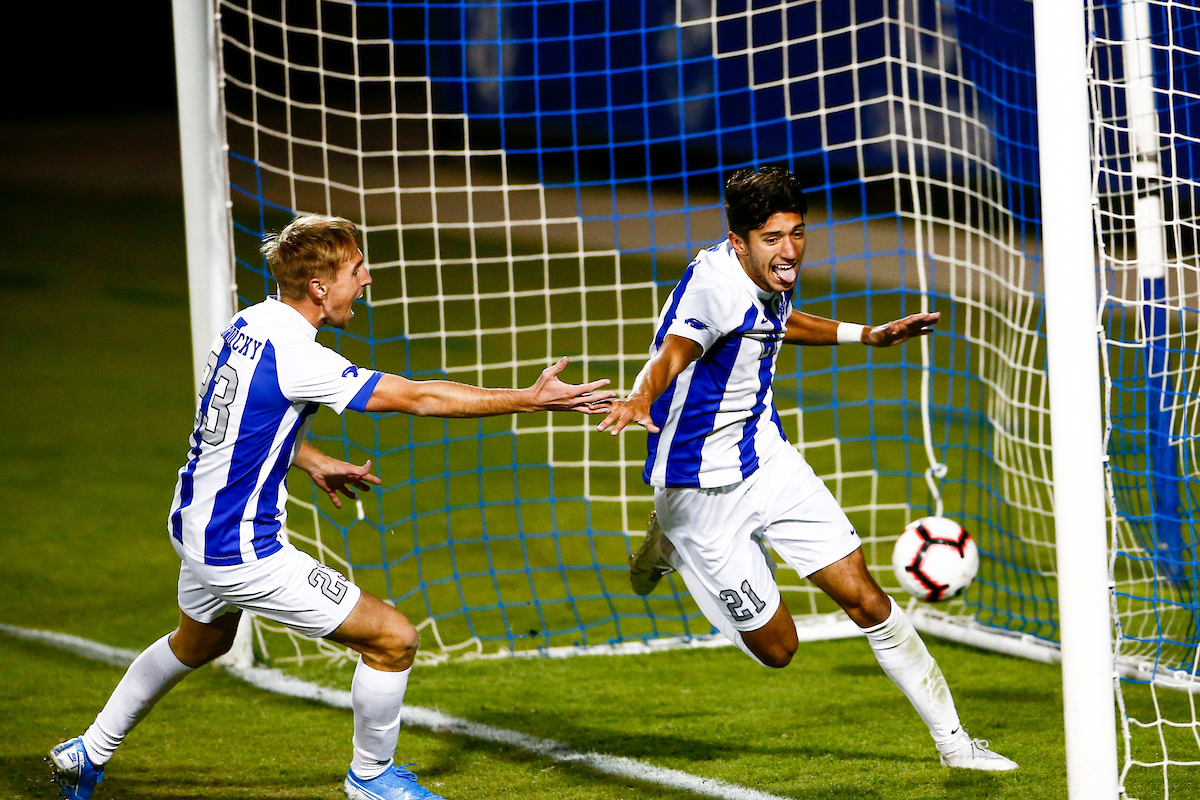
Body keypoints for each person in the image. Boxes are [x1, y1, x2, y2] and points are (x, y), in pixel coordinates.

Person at [48, 214, 616, 800]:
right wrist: (526, 398)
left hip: (191, 521)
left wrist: (310, 458)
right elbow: (416, 398)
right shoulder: (300, 354)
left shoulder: (249, 326)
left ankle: (87, 751)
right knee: (393, 639)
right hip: (239, 546)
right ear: (320, 288)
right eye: (356, 270)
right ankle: (371, 779)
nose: (367, 280)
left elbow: (242, 419)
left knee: (199, 642)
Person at [596, 165, 1017, 771]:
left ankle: (956, 746)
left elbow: (775, 320)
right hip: (697, 485)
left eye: (797, 233)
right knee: (779, 649)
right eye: (773, 239)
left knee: (866, 599)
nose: (789, 251)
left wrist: (865, 335)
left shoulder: (764, 270)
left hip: (766, 456)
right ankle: (671, 546)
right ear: (738, 241)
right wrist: (641, 396)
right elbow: (674, 352)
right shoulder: (714, 285)